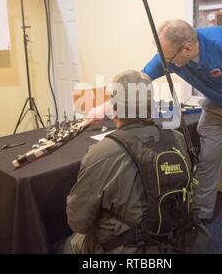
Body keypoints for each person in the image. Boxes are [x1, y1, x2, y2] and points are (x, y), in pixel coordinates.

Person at [84, 20, 222, 243]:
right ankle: (199, 214)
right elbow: (137, 84)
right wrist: (105, 108)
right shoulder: (169, 54)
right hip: (215, 107)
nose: (165, 63)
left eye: (168, 59)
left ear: (187, 48)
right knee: (207, 159)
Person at [63, 70, 197, 253]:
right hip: (176, 239)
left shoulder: (100, 153)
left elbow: (79, 222)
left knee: (71, 243)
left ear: (114, 109)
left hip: (130, 247)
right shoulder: (177, 138)